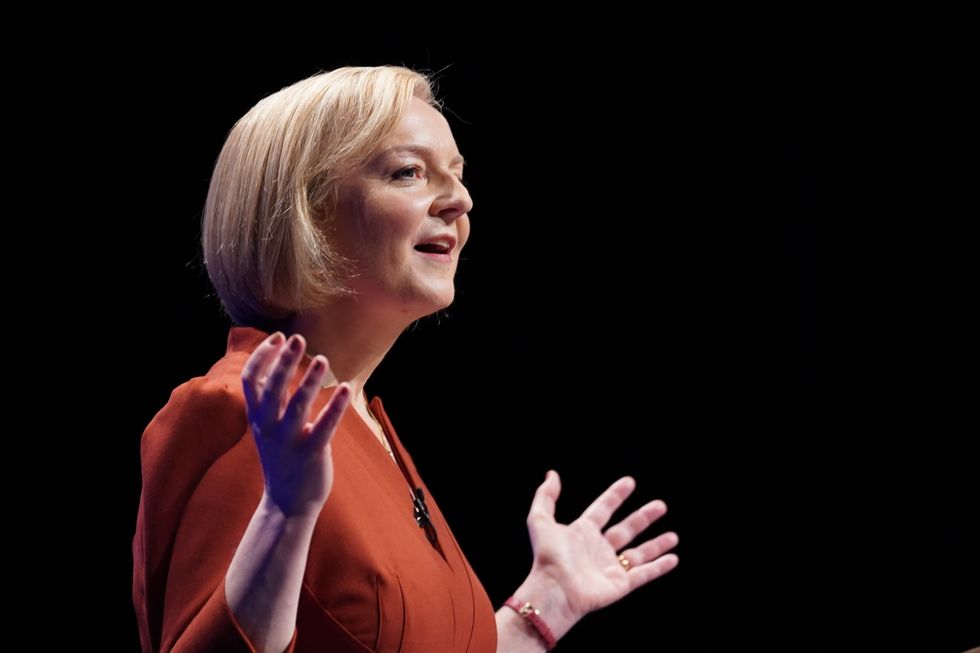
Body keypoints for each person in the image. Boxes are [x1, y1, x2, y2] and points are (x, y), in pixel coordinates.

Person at [132, 65, 679, 653]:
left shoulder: (369, 427)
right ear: (307, 213)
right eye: (409, 172)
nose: (460, 200)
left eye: (459, 176)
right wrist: (284, 516)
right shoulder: (237, 408)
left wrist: (538, 612)